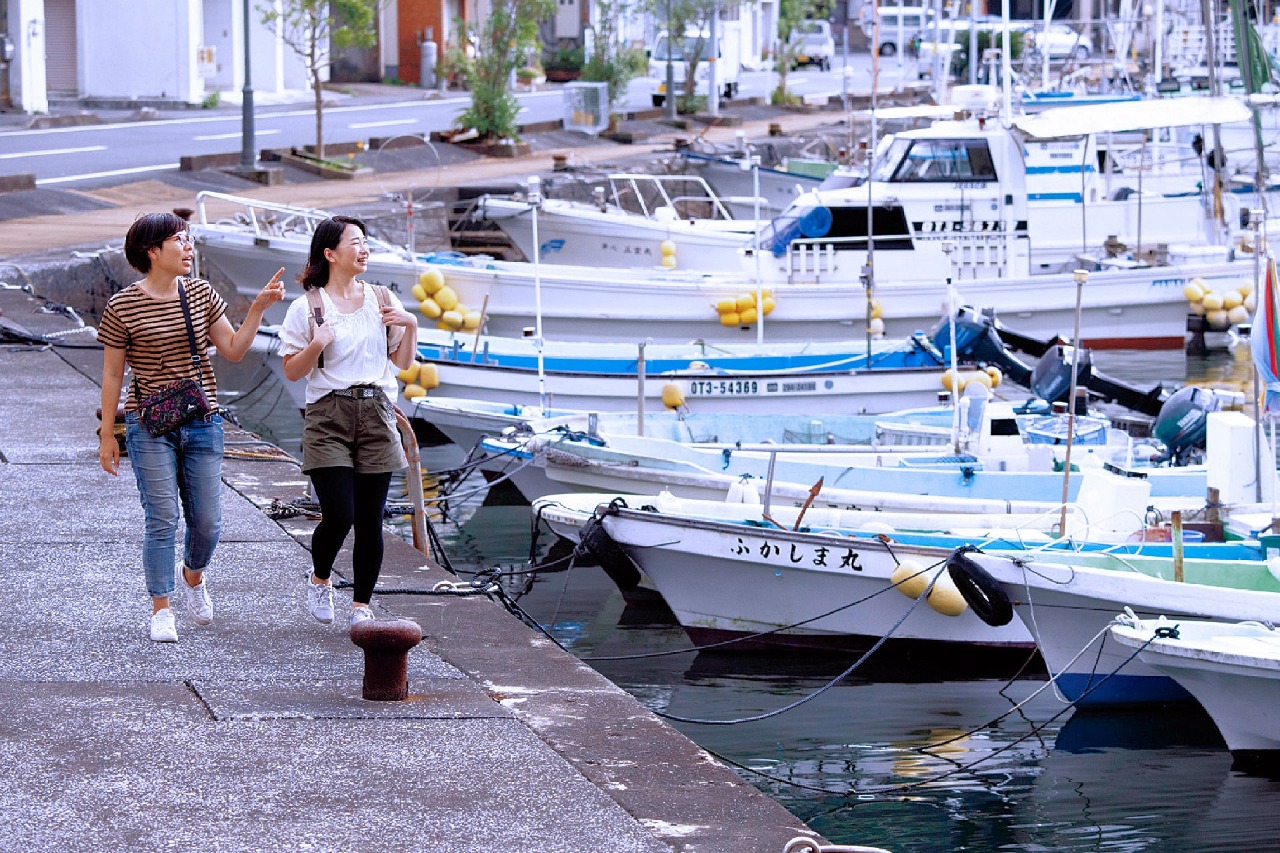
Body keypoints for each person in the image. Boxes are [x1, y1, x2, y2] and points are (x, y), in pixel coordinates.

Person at [98, 212, 285, 643]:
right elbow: (112, 375)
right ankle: (161, 608)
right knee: (162, 517)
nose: (188, 248)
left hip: (202, 422)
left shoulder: (201, 294)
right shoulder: (122, 306)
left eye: (189, 240)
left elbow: (235, 350)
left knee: (207, 523)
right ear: (152, 251)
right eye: (179, 241)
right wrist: (109, 433)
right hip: (149, 424)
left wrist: (256, 308)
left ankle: (194, 576)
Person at [277, 216, 418, 629]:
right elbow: (291, 370)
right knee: (340, 514)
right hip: (328, 415)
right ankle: (320, 578)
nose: (364, 249)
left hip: (376, 409)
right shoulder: (307, 307)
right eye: (355, 242)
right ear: (330, 253)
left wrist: (410, 324)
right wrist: (318, 343)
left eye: (365, 241)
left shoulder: (381, 297)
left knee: (372, 518)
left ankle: (361, 605)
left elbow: (403, 363)